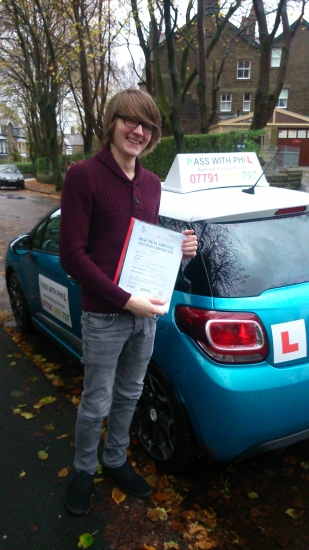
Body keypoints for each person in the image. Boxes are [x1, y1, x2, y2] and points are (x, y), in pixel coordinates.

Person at [59, 88, 197, 516]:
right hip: (104, 316)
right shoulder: (83, 175)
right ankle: (84, 470)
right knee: (97, 400)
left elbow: (145, 247)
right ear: (112, 123)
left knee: (130, 395)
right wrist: (125, 299)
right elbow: (72, 255)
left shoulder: (153, 184)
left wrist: (181, 251)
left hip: (146, 315)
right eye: (129, 121)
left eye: (147, 125)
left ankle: (115, 459)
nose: (137, 131)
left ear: (153, 134)